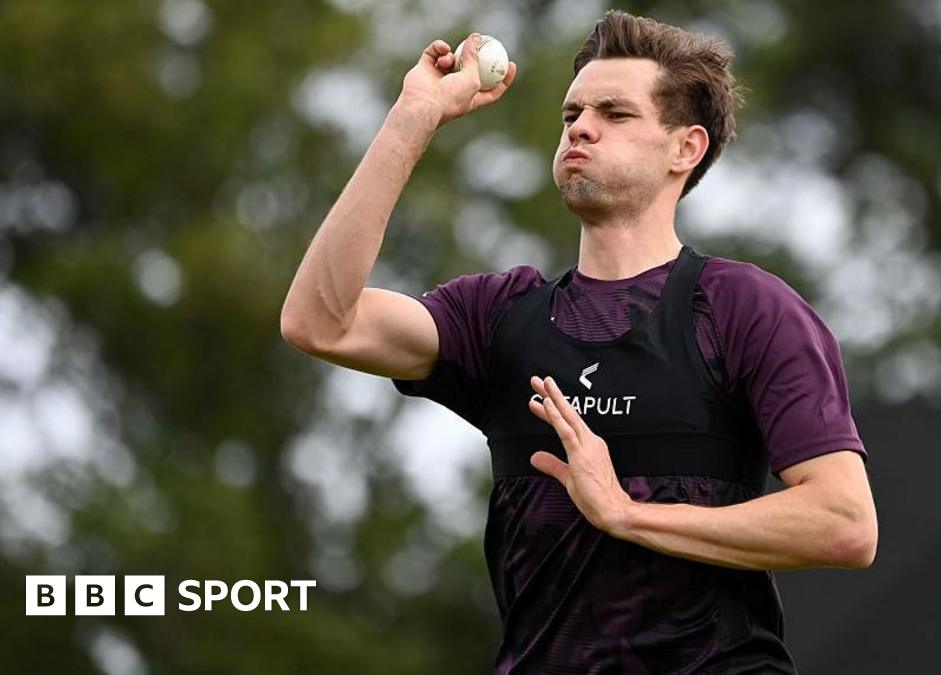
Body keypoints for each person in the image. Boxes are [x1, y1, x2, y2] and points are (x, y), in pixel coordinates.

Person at [281, 9, 877, 674]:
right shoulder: (499, 316)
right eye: (572, 114)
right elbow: (320, 322)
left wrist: (627, 514)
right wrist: (413, 117)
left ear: (685, 149)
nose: (581, 127)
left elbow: (843, 521)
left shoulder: (743, 307)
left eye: (615, 114)